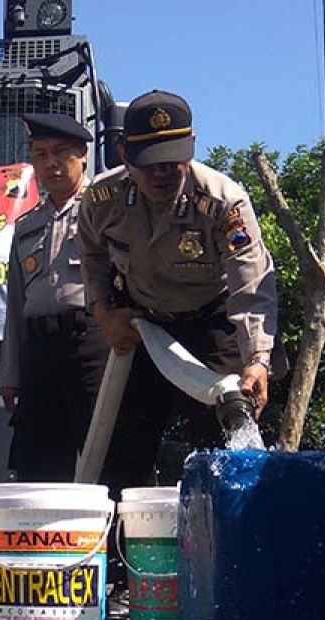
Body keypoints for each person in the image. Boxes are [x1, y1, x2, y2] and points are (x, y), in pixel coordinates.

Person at [78, 90, 279, 495]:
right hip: (144, 327)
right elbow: (92, 255)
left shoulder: (224, 201)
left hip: (214, 324)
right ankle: (122, 546)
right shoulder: (101, 200)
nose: (161, 174)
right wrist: (103, 311)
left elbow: (251, 285)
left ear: (191, 148)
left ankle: (229, 542)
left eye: (172, 161)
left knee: (224, 442)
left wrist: (257, 360)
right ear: (124, 154)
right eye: (149, 164)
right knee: (124, 445)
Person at [0, 112, 109, 481]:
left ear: (83, 154)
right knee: (38, 464)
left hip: (94, 344)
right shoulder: (27, 225)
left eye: (61, 152)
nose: (51, 163)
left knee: (108, 456)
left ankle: (120, 541)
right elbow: (15, 305)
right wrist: (11, 372)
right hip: (39, 350)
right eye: (40, 154)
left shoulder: (106, 209)